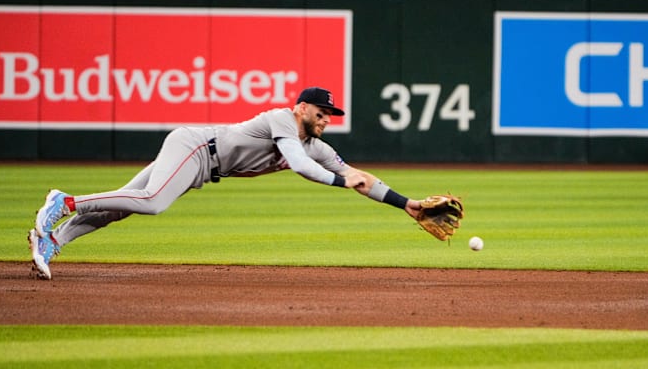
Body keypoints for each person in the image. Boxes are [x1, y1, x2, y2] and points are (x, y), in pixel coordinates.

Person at [28, 87, 425, 279]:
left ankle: (52, 241)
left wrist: (406, 204)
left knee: (118, 210)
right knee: (150, 201)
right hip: (196, 146)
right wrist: (343, 182)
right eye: (322, 112)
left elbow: (361, 179)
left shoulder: (316, 146)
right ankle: (65, 201)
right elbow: (302, 167)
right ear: (301, 107)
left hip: (203, 167)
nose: (326, 120)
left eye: (330, 115)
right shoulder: (282, 120)